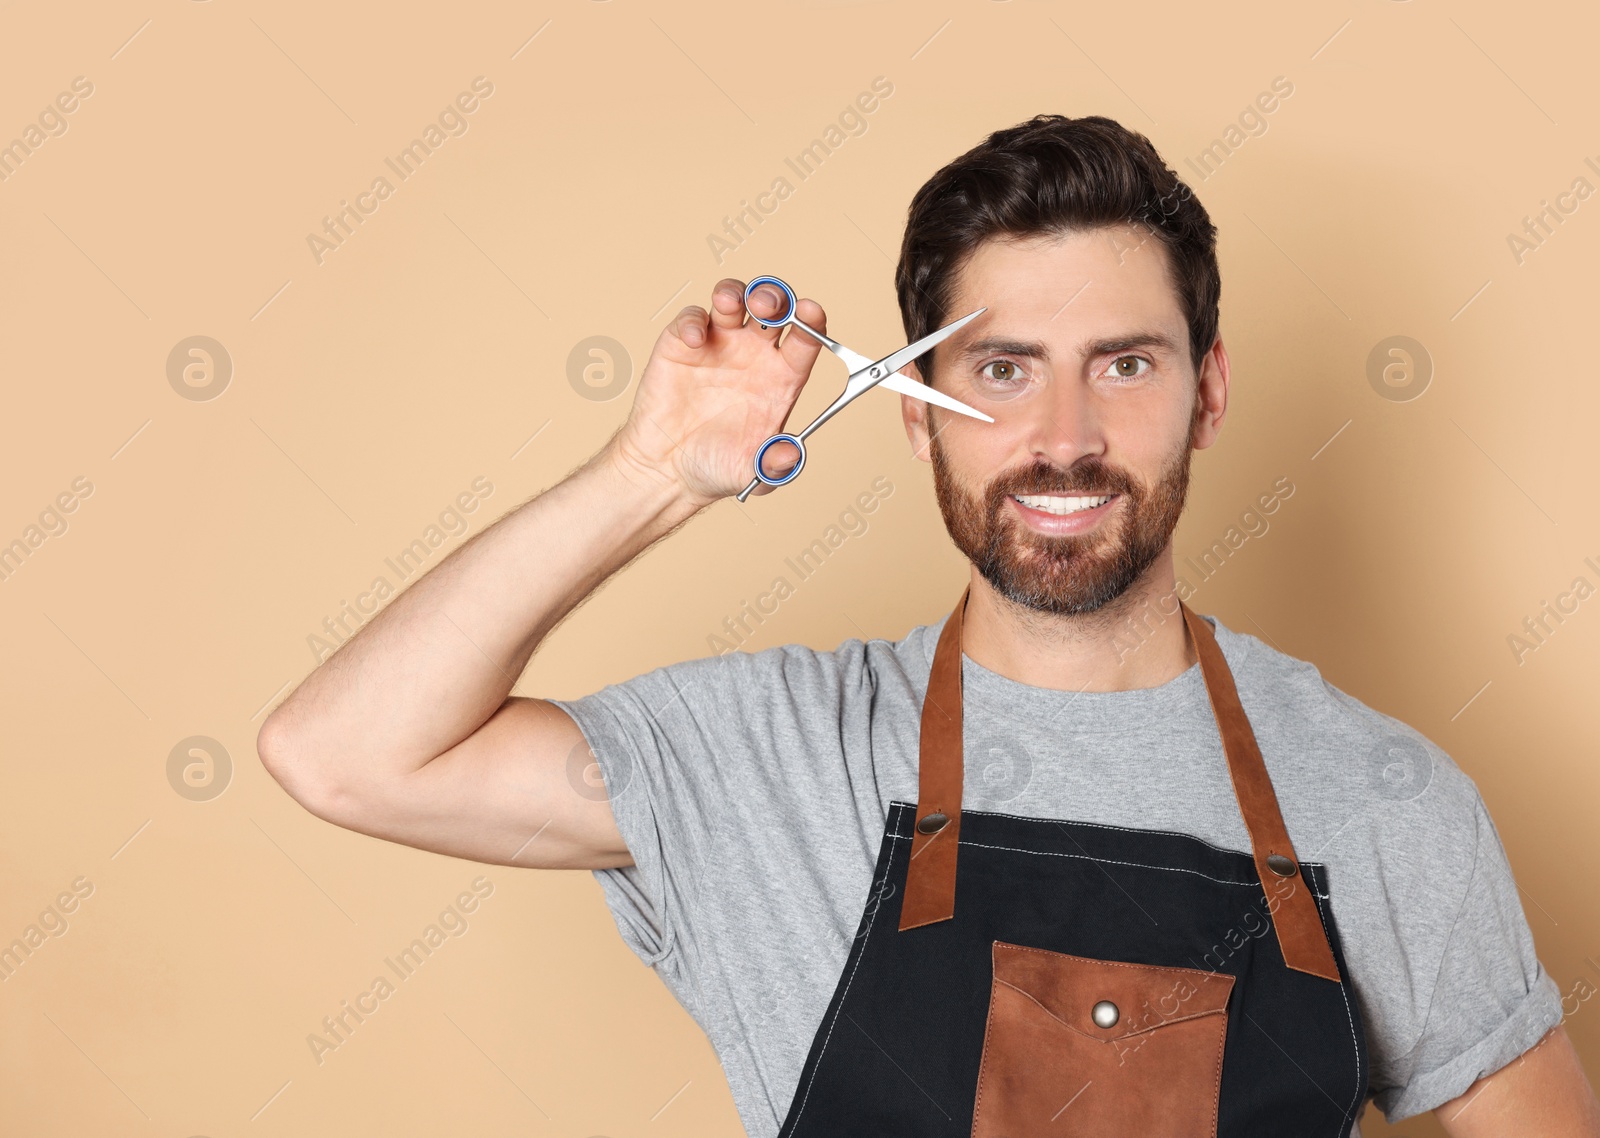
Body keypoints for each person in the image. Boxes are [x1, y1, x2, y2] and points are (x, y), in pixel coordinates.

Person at [257, 115, 1600, 1137]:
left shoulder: (1378, 797)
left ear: (1208, 392)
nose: (1064, 440)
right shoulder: (772, 759)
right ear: (914, 410)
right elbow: (344, 751)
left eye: (1124, 365)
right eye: (1000, 372)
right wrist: (650, 477)